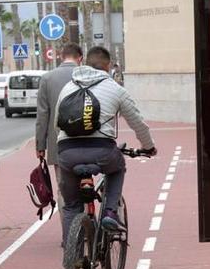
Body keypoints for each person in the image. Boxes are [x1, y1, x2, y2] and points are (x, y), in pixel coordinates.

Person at [56, 46, 156, 242]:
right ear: (108, 65)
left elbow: (56, 125)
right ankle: (110, 212)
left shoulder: (68, 88)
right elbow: (137, 122)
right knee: (117, 168)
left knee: (70, 205)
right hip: (102, 151)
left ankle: (72, 257)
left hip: (67, 152)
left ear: (84, 63)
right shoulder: (115, 89)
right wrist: (148, 146)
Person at [36, 42, 83, 213]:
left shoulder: (47, 78)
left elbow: (42, 115)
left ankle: (69, 233)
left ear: (61, 57)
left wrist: (40, 146)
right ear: (80, 58)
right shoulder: (87, 75)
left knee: (64, 190)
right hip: (86, 142)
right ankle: (87, 226)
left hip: (59, 145)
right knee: (85, 186)